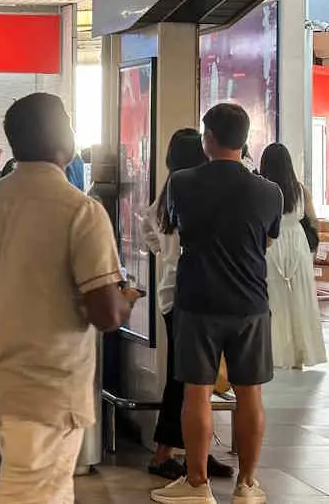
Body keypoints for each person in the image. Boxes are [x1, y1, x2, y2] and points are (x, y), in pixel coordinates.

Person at [0, 93, 139, 504]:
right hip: (53, 386)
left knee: (40, 486)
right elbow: (105, 314)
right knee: (36, 492)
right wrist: (127, 298)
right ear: (61, 140)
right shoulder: (80, 212)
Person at [150, 103, 281, 504]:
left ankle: (196, 483)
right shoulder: (269, 191)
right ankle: (246, 485)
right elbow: (267, 242)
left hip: (198, 300)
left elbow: (174, 228)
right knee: (250, 394)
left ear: (208, 139)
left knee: (197, 392)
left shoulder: (182, 183)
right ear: (245, 142)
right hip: (251, 304)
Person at [143, 129, 234, 480]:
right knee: (188, 380)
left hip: (172, 294)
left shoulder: (166, 195)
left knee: (192, 379)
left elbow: (148, 233)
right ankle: (164, 454)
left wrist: (164, 256)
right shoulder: (192, 194)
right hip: (191, 294)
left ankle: (196, 450)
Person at [260, 142, 326, 370]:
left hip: (272, 243)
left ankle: (276, 352)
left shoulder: (263, 189)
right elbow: (314, 221)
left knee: (274, 296)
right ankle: (301, 353)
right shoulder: (300, 190)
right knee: (299, 294)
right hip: (296, 243)